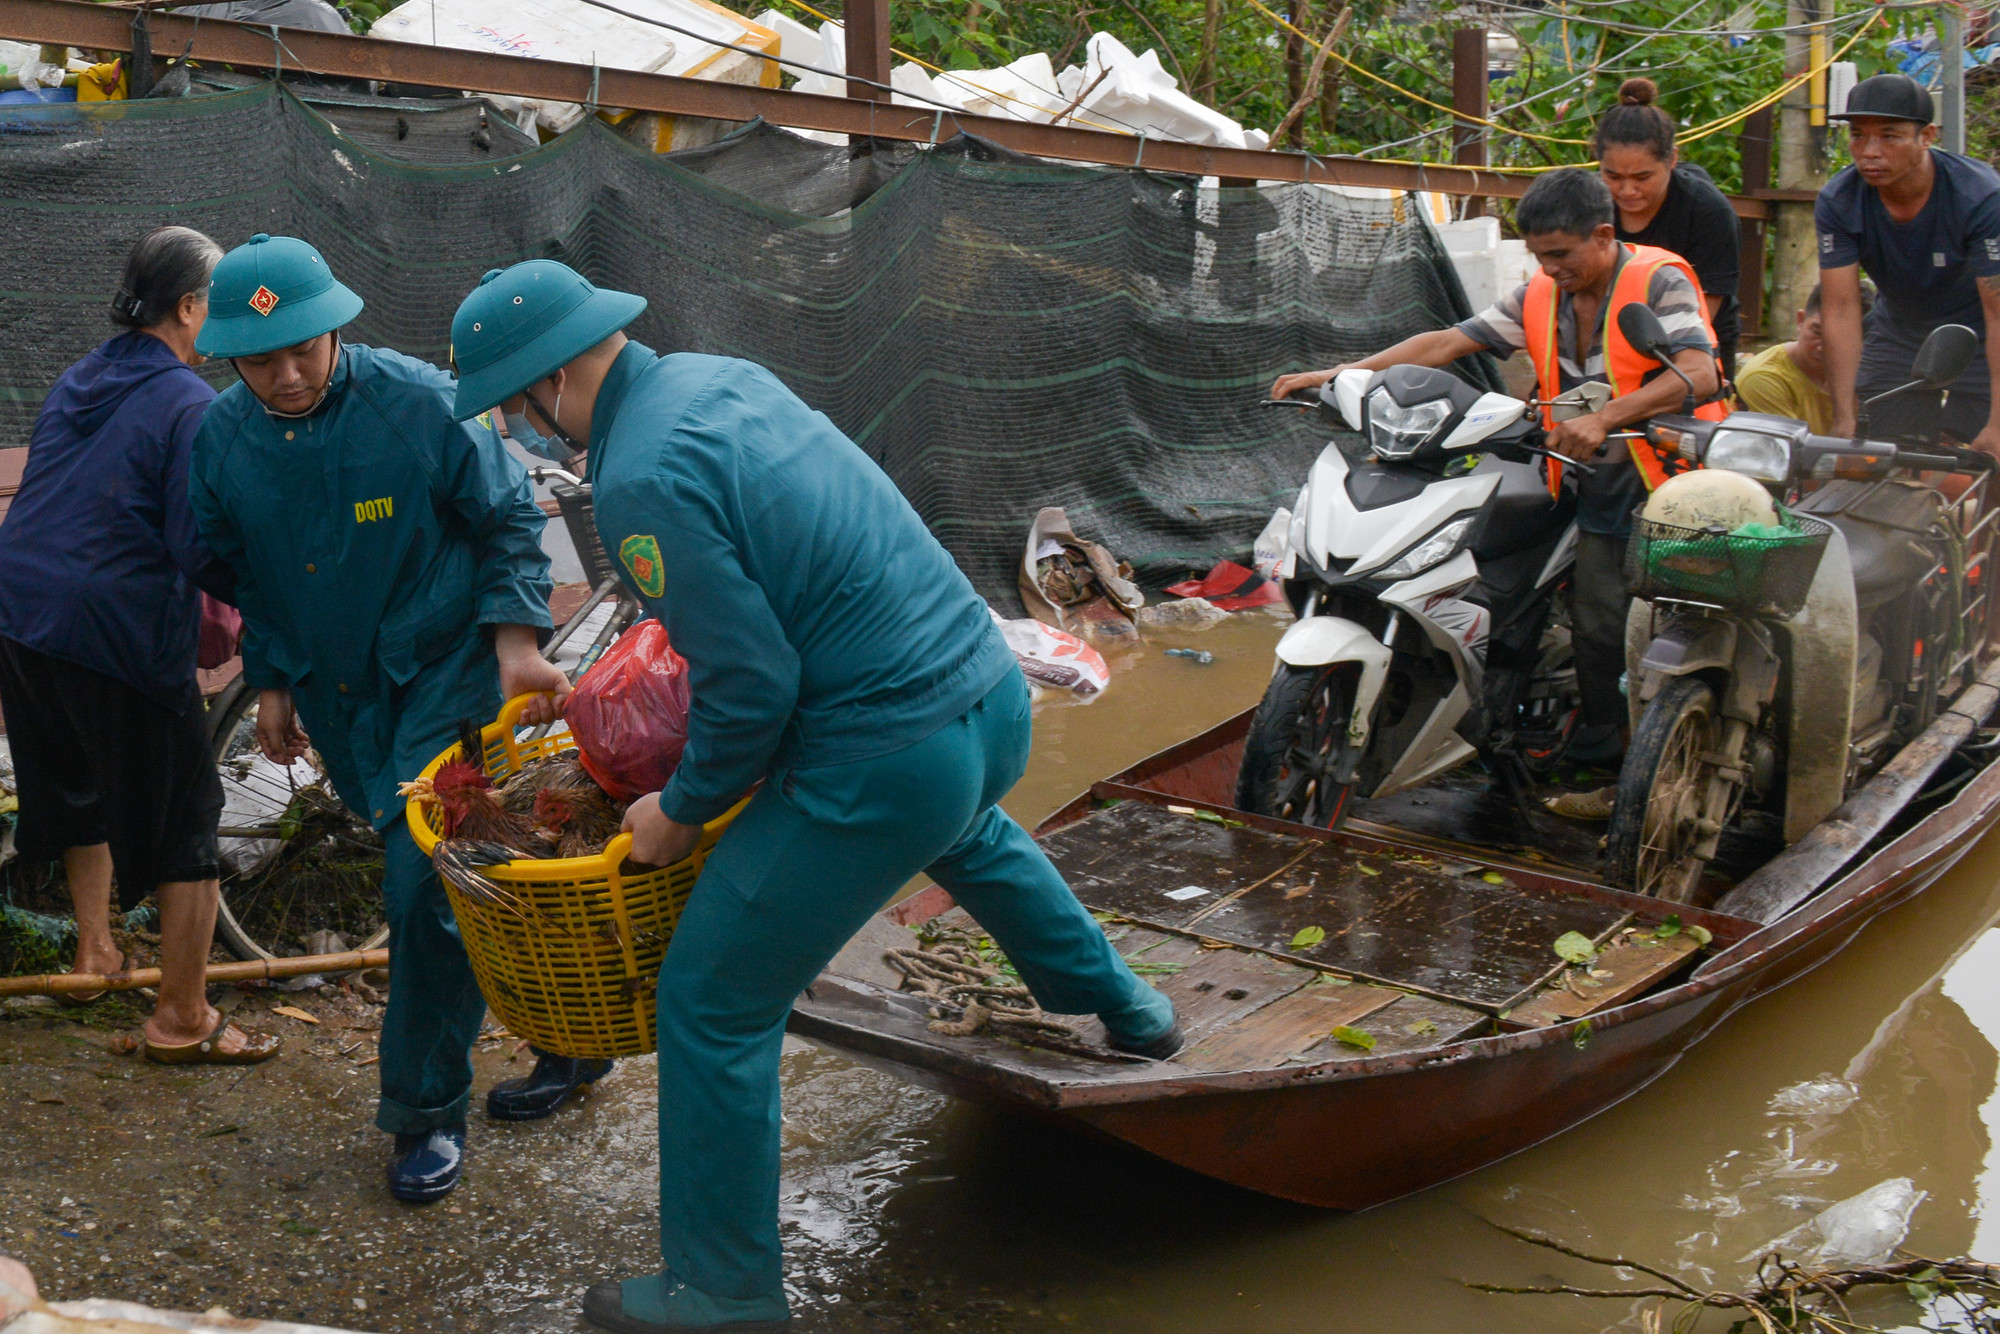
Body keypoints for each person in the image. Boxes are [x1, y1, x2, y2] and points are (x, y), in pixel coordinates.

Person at [447, 259, 1182, 1333]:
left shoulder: (640, 472)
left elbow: (750, 682)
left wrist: (679, 808)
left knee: (711, 999)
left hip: (886, 756)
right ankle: (1135, 1014)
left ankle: (723, 1291)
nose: (521, 426)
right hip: (985, 700)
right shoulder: (719, 377)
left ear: (548, 380)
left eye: (516, 405)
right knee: (969, 833)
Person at [187, 234, 576, 1204]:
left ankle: (424, 1111)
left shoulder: (417, 403)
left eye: (303, 350)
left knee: (425, 885)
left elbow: (508, 518)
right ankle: (575, 1035)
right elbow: (241, 567)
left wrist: (516, 642)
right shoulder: (221, 442)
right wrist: (273, 678)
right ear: (229, 357)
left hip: (447, 675)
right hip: (341, 693)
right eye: (261, 360)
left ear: (335, 330)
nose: (286, 375)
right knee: (489, 874)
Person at [1271, 168, 1722, 797]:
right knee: (1487, 570)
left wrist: (1605, 418)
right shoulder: (1543, 290)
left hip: (1651, 474)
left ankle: (1611, 762)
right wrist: (1342, 373)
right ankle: (1488, 711)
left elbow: (1699, 373)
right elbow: (1447, 343)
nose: (1548, 268)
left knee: (1602, 618)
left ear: (1602, 235)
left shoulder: (1658, 278)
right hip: (1567, 462)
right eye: (1538, 255)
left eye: (1560, 254)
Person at [0, 226, 278, 1066]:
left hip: (22, 614)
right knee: (187, 819)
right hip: (113, 625)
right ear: (190, 308)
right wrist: (273, 606)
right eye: (219, 301)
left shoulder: (81, 375)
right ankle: (183, 1018)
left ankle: (96, 953)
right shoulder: (191, 403)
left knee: (77, 787)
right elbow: (196, 546)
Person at [1816, 72, 2000, 452]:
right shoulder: (1840, 200)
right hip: (1901, 330)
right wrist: (1844, 413)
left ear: (1927, 136)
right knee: (1880, 453)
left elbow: (1998, 313)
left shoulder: (1980, 197)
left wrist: (1998, 423)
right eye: (1857, 135)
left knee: (1983, 461)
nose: (1869, 151)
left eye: (1889, 136)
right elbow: (1841, 309)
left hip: (1982, 333)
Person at [1599, 78, 1744, 380]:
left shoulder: (1709, 212)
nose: (1627, 190)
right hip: (1605, 342)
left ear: (1672, 159)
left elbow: (1704, 312)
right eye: (1613, 176)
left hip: (1694, 344)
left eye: (1642, 178)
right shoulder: (1591, 206)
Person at [1735, 283, 1873, 433]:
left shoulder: (1869, 374)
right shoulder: (1764, 379)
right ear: (1800, 320)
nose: (1823, 348)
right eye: (1817, 333)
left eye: (1843, 339)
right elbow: (1784, 445)